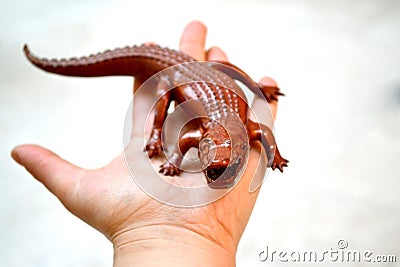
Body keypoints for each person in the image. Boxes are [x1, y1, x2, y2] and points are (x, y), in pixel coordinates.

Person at [12, 21, 281, 266]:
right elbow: (189, 139)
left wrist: (275, 155)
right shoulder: (209, 134)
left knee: (228, 72)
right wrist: (159, 138)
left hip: (211, 81)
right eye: (211, 166)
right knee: (171, 84)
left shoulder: (248, 131)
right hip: (184, 78)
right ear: (205, 141)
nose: (214, 175)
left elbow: (264, 135)